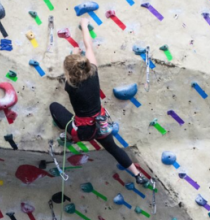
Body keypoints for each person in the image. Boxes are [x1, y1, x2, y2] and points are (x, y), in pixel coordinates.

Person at [49, 23, 152, 183]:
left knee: (54, 107)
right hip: (100, 126)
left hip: (81, 132)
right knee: (113, 148)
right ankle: (137, 175)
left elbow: (70, 73)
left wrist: (73, 52)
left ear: (69, 74)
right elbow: (89, 46)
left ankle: (69, 136)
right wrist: (84, 25)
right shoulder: (94, 72)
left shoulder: (70, 86)